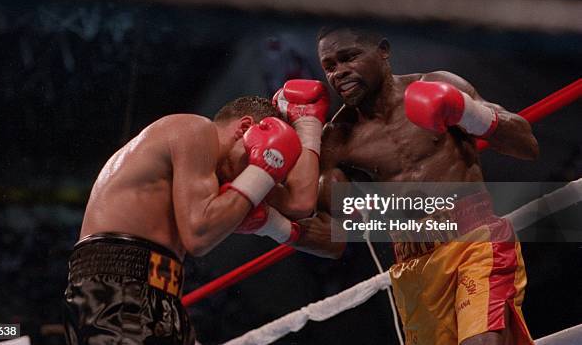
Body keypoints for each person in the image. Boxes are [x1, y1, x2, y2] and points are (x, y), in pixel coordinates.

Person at [315, 26, 539, 345]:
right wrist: (272, 220)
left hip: (474, 239)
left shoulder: (438, 84)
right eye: (329, 66)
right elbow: (330, 236)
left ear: (383, 51)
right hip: (412, 264)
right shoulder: (336, 139)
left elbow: (527, 146)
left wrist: (470, 113)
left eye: (349, 57)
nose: (339, 72)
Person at [63, 93, 338, 345]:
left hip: (154, 294)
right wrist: (264, 168)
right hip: (116, 290)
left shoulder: (211, 185)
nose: (253, 177)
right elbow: (199, 236)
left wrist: (308, 127)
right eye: (261, 156)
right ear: (245, 129)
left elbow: (300, 206)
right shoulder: (194, 129)